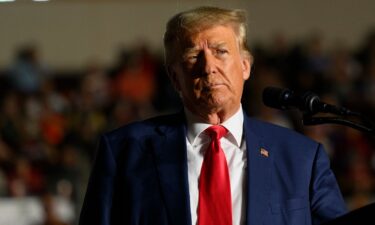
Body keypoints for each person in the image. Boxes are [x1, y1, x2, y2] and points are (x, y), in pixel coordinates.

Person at [79, 6, 347, 225]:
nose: (209, 67)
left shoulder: (302, 158)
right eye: (194, 55)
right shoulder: (124, 152)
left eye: (221, 51)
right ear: (175, 78)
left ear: (245, 66)